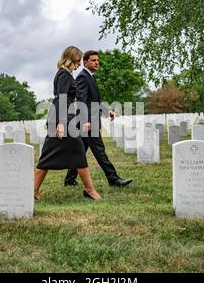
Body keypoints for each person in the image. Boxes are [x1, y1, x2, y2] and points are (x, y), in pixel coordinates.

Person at [35, 46, 101, 201]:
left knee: (51, 156)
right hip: (63, 120)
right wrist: (61, 124)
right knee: (71, 153)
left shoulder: (64, 74)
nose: (79, 64)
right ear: (71, 59)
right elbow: (62, 99)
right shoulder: (64, 75)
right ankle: (90, 190)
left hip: (63, 119)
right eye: (78, 60)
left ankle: (34, 190)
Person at [64, 50, 133, 187]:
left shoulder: (91, 77)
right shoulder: (83, 77)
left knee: (80, 151)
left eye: (97, 60)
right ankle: (113, 179)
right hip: (89, 122)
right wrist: (86, 121)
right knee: (100, 151)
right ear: (85, 62)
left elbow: (95, 100)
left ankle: (69, 180)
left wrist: (108, 111)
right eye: (93, 60)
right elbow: (82, 101)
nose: (97, 63)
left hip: (92, 121)